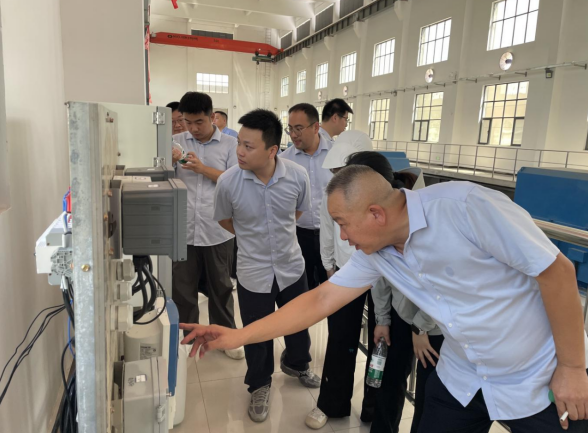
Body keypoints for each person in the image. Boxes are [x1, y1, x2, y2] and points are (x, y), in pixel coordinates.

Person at [181, 166, 588, 433]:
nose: (343, 237)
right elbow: (320, 300)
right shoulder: (378, 253)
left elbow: (556, 272)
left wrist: (572, 367)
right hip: (463, 376)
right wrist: (238, 335)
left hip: (540, 374)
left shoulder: (465, 207)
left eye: (343, 224)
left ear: (376, 214)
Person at [213, 109, 321, 423]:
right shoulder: (228, 182)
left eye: (248, 146)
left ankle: (297, 364)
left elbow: (297, 213)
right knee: (256, 333)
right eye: (239, 143)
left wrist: (275, 236)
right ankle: (259, 384)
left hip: (291, 266)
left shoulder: (296, 176)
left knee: (298, 323)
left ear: (272, 150)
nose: (239, 151)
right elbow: (224, 220)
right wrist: (252, 237)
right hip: (253, 270)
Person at [337, 154, 444, 433]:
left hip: (434, 325)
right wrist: (383, 320)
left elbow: (443, 286)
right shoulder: (378, 226)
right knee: (390, 379)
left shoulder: (429, 219)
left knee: (428, 393)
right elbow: (381, 278)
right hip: (401, 314)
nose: (344, 236)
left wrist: (421, 328)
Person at [305, 131, 377, 430]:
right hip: (346, 272)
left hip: (384, 276)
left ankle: (375, 408)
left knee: (381, 342)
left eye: (341, 170)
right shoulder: (332, 193)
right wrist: (328, 266)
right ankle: (331, 404)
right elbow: (327, 229)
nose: (337, 177)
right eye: (334, 172)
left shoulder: (381, 193)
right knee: (340, 339)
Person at [171, 91, 244, 360]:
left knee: (221, 287)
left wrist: (203, 169)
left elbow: (236, 181)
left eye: (199, 122)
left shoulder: (230, 145)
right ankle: (187, 338)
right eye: (187, 122)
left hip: (218, 230)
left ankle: (224, 338)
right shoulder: (175, 143)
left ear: (212, 117)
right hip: (183, 229)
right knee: (182, 288)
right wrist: (168, 163)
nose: (192, 128)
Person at [279, 103, 333, 289]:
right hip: (299, 236)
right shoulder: (284, 161)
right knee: (303, 290)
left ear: (316, 127)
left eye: (299, 128)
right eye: (290, 129)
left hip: (332, 235)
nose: (293, 135)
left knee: (332, 290)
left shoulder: (336, 156)